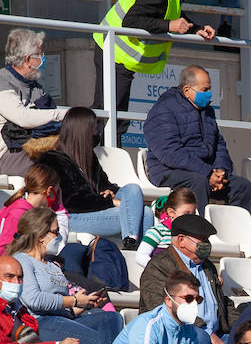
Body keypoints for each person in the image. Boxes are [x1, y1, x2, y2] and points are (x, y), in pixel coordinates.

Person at [92, 0, 217, 139]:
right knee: (108, 116)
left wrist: (196, 28)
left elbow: (168, 12)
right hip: (114, 51)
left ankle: (93, 152)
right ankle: (78, 151)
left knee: (113, 117)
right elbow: (131, 21)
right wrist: (169, 25)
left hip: (119, 54)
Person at [23, 107, 153, 250]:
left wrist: (110, 193)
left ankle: (132, 243)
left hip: (95, 210)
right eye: (95, 128)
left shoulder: (88, 158)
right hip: (70, 217)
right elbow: (72, 202)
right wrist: (109, 202)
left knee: (133, 189)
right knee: (145, 214)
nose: (97, 132)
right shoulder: (53, 160)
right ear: (83, 131)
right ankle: (133, 249)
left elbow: (104, 185)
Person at [9, 206, 123, 344]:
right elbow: (33, 300)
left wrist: (85, 304)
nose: (60, 237)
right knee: (101, 343)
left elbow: (63, 308)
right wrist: (74, 300)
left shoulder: (52, 264)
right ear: (41, 236)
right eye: (55, 232)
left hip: (62, 319)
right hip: (39, 322)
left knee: (112, 319)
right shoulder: (22, 260)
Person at [144, 67, 251, 217]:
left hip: (205, 172)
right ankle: (200, 230)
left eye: (210, 89)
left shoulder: (207, 111)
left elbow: (219, 146)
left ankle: (237, 230)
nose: (209, 94)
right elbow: (170, 154)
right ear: (186, 90)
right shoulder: (163, 110)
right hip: (168, 172)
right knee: (199, 182)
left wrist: (220, 171)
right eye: (205, 90)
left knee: (242, 186)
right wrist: (208, 173)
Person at [0, 28, 66, 176]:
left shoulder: (35, 87)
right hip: (8, 155)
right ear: (27, 59)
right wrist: (64, 114)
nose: (43, 59)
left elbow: (51, 121)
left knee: (73, 156)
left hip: (37, 148)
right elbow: (22, 117)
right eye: (40, 55)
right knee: (55, 169)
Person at [138, 213, 230, 336]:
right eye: (202, 240)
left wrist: (241, 328)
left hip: (217, 334)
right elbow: (163, 309)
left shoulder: (208, 266)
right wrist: (205, 332)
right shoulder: (158, 267)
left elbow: (222, 302)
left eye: (207, 240)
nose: (207, 244)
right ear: (181, 240)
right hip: (180, 336)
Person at [0, 163, 67, 254]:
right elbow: (4, 251)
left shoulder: (28, 211)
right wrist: (59, 208)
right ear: (49, 191)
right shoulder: (18, 214)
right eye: (57, 191)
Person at [137, 188, 199, 268]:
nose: (190, 218)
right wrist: (160, 269)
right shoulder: (158, 232)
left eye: (193, 214)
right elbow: (140, 256)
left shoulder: (192, 235)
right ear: (171, 213)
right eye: (186, 214)